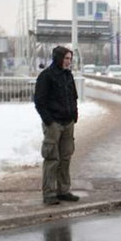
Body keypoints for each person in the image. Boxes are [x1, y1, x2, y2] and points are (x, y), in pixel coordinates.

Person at [34, 45, 79, 205]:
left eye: (70, 59)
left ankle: (63, 190)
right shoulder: (46, 76)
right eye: (66, 58)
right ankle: (49, 193)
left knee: (65, 158)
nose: (69, 62)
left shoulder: (68, 75)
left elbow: (73, 96)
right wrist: (49, 121)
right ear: (58, 58)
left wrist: (74, 115)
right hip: (54, 123)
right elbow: (39, 101)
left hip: (68, 122)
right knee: (52, 158)